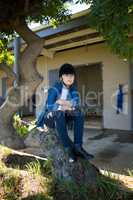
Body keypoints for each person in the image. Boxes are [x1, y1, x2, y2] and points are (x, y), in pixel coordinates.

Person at [36, 63, 94, 162]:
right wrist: (63, 106)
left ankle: (78, 147)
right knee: (59, 113)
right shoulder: (55, 88)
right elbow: (49, 106)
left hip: (64, 115)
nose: (69, 78)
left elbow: (76, 103)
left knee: (79, 113)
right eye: (66, 75)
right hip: (49, 118)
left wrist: (61, 102)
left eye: (71, 75)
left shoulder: (73, 89)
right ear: (61, 77)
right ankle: (68, 149)